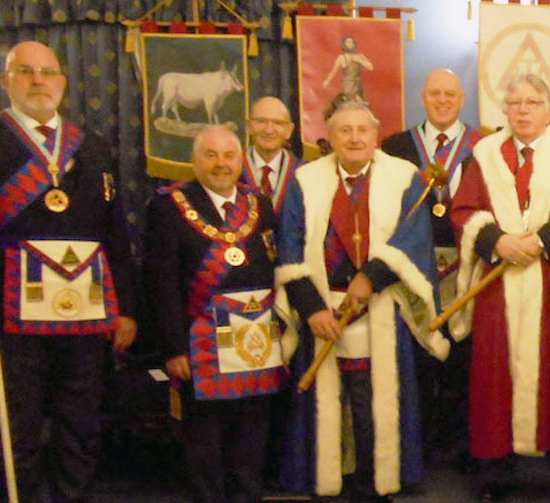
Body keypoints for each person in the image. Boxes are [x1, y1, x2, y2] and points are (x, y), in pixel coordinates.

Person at [0, 40, 137, 502]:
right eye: (25, 71)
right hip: (9, 312)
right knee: (16, 424)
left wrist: (126, 310)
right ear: (6, 81)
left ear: (62, 82)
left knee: (81, 424)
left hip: (85, 314)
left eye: (47, 72)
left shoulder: (94, 147)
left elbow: (114, 235)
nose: (38, 80)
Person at [448, 73, 550, 502]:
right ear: (504, 109)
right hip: (496, 283)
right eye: (515, 102)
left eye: (533, 102)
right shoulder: (483, 153)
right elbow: (464, 210)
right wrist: (497, 241)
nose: (523, 110)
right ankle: (497, 474)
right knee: (494, 374)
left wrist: (540, 243)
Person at [276, 102, 449, 501]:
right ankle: (328, 478)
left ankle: (375, 482)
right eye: (345, 131)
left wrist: (371, 277)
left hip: (382, 307)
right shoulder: (305, 180)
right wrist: (312, 308)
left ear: (376, 136)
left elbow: (413, 238)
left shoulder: (404, 177)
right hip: (324, 309)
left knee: (374, 402)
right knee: (329, 403)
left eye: (362, 131)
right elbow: (289, 246)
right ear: (331, 137)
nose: (354, 139)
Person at [144, 125, 286, 503]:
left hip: (254, 341)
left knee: (252, 439)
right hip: (199, 345)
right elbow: (160, 285)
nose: (221, 164)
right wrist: (174, 349)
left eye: (228, 156)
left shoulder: (259, 204)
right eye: (211, 155)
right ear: (195, 160)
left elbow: (275, 270)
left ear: (241, 160)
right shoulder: (168, 205)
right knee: (204, 446)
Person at [380, 69, 485, 466]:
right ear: (423, 97)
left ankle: (464, 447)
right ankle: (421, 445)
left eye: (450, 94)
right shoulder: (394, 146)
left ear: (462, 99)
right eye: (435, 93)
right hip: (414, 265)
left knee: (465, 357)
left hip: (467, 265)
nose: (443, 100)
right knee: (418, 355)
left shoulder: (485, 146)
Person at [243, 96, 302, 213]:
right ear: (248, 126)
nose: (269, 130)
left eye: (278, 123)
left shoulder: (304, 174)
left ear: (289, 130)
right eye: (261, 121)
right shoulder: (231, 171)